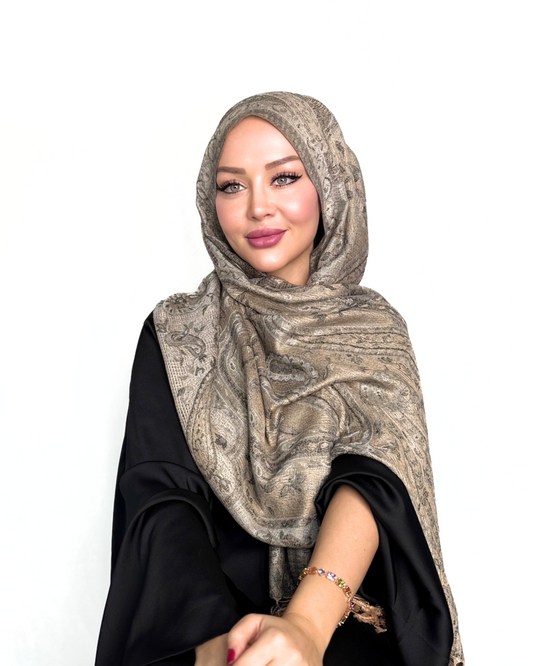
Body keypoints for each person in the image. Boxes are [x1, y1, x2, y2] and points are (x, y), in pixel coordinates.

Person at [94, 92, 464, 666]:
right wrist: (217, 647)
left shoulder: (374, 330)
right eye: (232, 186)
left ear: (331, 186)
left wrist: (305, 627)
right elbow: (163, 498)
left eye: (284, 177)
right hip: (203, 627)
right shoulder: (178, 332)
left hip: (339, 617)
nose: (258, 207)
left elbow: (374, 477)